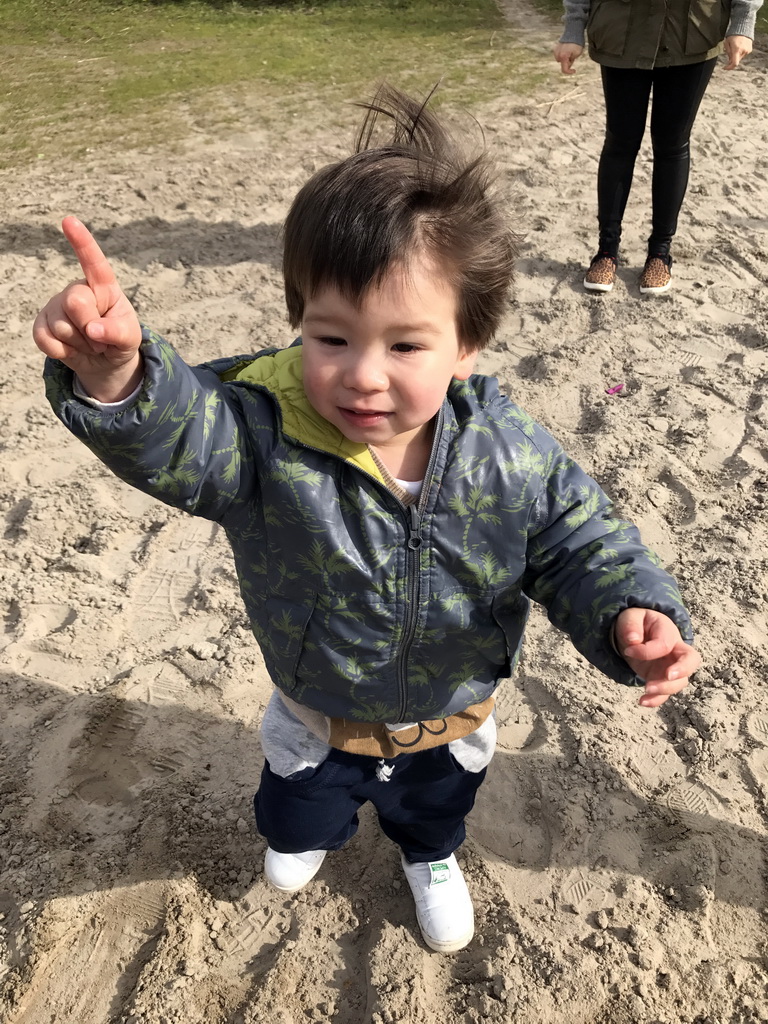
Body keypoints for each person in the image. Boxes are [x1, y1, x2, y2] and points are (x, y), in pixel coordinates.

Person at [33, 86, 701, 955]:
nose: (363, 376)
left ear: (468, 344)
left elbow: (581, 542)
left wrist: (628, 611)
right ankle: (308, 835)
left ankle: (429, 857)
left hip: (450, 711)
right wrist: (118, 381)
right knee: (295, 801)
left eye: (406, 345)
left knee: (436, 807)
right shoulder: (260, 433)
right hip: (316, 705)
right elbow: (181, 438)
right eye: (332, 337)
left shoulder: (511, 453)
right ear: (299, 322)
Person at [553, 0, 764, 295]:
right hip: (621, 32)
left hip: (692, 32)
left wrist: (743, 20)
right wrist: (573, 28)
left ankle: (660, 253)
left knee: (672, 145)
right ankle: (606, 251)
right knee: (620, 144)